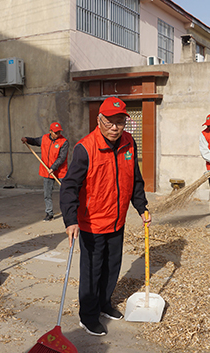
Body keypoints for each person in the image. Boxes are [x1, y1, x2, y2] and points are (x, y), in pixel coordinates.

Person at [60, 97, 150, 336]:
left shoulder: (129, 143)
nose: (115, 128)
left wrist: (141, 207)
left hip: (117, 220)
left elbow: (135, 179)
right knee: (92, 271)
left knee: (112, 267)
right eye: (110, 122)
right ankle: (88, 316)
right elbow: (69, 186)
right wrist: (70, 219)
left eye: (120, 122)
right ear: (99, 120)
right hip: (93, 223)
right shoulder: (85, 148)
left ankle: (104, 303)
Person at [21, 122, 69, 222]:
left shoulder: (64, 142)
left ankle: (67, 212)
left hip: (60, 172)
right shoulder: (44, 138)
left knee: (65, 193)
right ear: (50, 131)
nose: (58, 134)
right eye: (55, 132)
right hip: (46, 171)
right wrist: (27, 139)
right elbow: (35, 141)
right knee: (47, 194)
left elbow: (61, 158)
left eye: (59, 132)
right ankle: (49, 213)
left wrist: (53, 168)